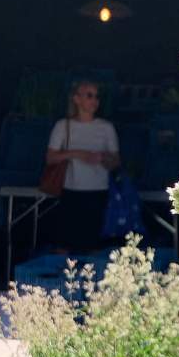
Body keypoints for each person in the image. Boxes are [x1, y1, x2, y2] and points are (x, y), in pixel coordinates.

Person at [45, 79, 120, 253]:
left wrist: (102, 158)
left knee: (94, 245)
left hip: (98, 191)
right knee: (65, 244)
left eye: (96, 96)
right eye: (89, 96)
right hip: (70, 191)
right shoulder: (63, 126)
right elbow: (51, 158)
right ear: (76, 99)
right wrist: (78, 154)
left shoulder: (106, 128)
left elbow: (116, 161)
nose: (94, 100)